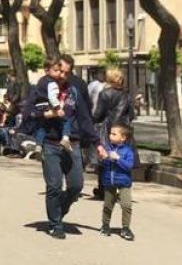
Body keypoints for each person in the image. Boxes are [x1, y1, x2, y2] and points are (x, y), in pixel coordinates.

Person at [21, 60, 101, 240]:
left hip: (72, 143)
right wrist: (45, 114)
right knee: (54, 186)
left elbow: (85, 118)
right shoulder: (40, 89)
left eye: (65, 73)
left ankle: (59, 210)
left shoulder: (73, 92)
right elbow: (27, 114)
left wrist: (98, 143)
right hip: (50, 143)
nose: (62, 76)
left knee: (76, 186)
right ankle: (55, 224)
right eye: (59, 72)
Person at [91, 69, 134, 198]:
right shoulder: (126, 95)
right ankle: (121, 188)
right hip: (123, 130)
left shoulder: (104, 94)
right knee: (122, 157)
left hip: (107, 129)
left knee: (104, 158)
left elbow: (98, 114)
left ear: (109, 79)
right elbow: (131, 114)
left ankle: (103, 189)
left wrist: (92, 120)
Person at [98, 124, 135, 240]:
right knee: (108, 205)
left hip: (124, 183)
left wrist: (118, 159)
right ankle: (105, 225)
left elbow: (129, 166)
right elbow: (103, 165)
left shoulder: (128, 151)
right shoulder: (107, 148)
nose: (110, 135)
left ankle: (125, 228)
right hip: (110, 182)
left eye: (114, 134)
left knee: (126, 205)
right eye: (110, 133)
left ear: (123, 138)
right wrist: (104, 158)